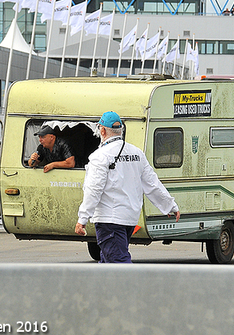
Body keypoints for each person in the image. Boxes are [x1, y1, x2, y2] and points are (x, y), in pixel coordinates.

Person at [75, 111, 180, 263]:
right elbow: (152, 183)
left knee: (119, 264)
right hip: (129, 218)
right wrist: (169, 205)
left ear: (102, 130)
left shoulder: (100, 156)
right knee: (107, 262)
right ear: (121, 130)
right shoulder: (137, 153)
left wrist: (82, 218)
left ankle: (132, 287)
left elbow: (94, 190)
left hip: (109, 219)